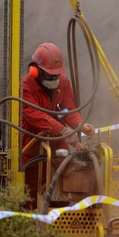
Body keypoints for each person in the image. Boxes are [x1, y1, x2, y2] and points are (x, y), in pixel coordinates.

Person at [21, 42, 95, 208]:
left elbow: (67, 109)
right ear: (36, 70)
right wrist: (64, 131)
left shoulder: (64, 83)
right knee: (29, 198)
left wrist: (80, 124)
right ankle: (32, 229)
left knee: (59, 195)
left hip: (58, 152)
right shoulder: (26, 87)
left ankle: (57, 230)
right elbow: (36, 116)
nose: (54, 79)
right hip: (31, 152)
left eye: (56, 74)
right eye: (50, 75)